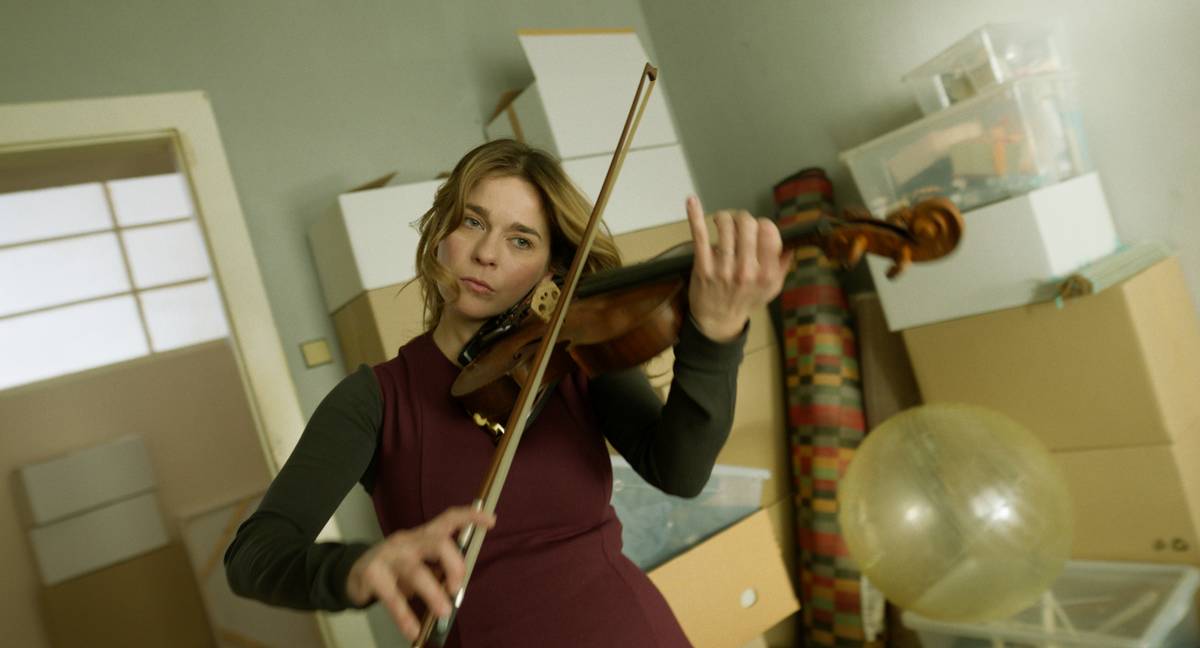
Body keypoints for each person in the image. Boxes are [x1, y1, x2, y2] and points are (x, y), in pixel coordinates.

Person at [224, 139, 791, 647]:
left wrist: (716, 338)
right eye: (473, 222)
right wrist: (354, 568)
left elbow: (680, 471)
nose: (487, 253)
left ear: (550, 270)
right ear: (440, 233)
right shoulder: (374, 400)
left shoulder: (573, 355)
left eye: (521, 240)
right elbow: (253, 555)